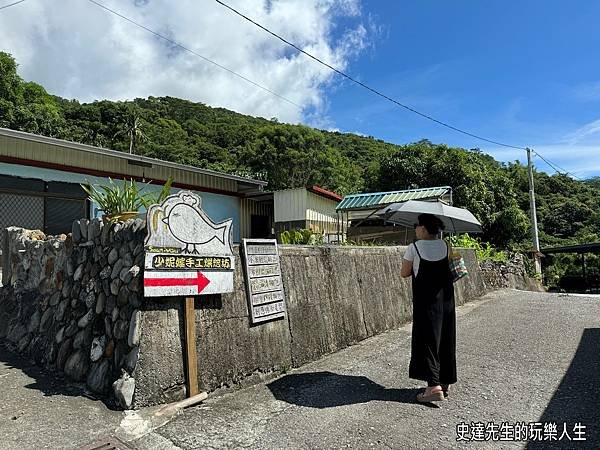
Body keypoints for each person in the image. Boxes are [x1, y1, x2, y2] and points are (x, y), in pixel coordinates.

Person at [401, 213, 456, 403]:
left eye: (416, 225)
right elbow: (454, 270)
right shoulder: (446, 246)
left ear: (423, 228)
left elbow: (404, 273)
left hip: (426, 303)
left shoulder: (414, 248)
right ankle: (445, 380)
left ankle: (433, 387)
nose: (415, 228)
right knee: (446, 339)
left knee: (427, 341)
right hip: (447, 301)